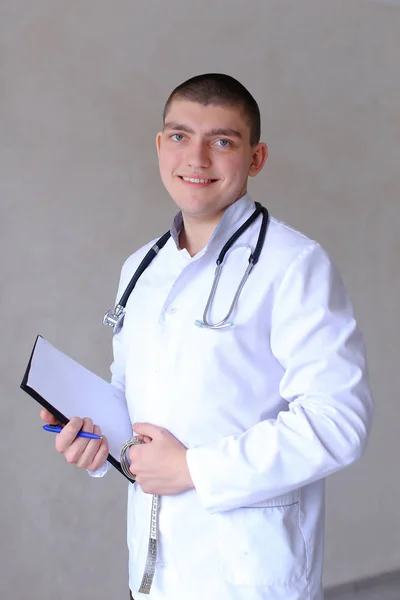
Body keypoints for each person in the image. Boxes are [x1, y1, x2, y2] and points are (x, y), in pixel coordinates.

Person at [40, 73, 374, 600]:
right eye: (179, 136)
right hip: (152, 573)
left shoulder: (294, 266)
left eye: (221, 141)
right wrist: (96, 440)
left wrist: (192, 468)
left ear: (256, 158)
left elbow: (339, 422)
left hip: (248, 578)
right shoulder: (141, 268)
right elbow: (134, 401)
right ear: (159, 146)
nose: (195, 158)